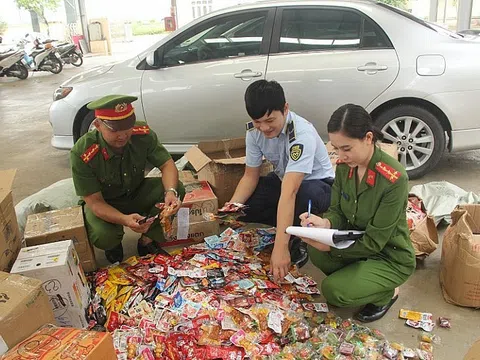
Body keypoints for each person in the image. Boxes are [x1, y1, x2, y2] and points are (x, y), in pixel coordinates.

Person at [299, 104, 416, 323]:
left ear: (368, 138)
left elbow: (374, 242)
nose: (341, 156)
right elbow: (338, 211)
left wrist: (330, 245)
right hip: (357, 245)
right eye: (336, 149)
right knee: (315, 252)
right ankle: (359, 279)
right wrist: (324, 223)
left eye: (347, 148)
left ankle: (386, 293)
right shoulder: (345, 167)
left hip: (387, 256)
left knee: (334, 291)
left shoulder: (394, 178)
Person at [228, 80, 334, 280]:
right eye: (258, 121)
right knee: (246, 205)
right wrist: (231, 210)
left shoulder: (301, 134)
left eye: (270, 120)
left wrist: (280, 247)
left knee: (301, 197)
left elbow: (290, 191)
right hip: (284, 180)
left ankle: (297, 238)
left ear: (285, 108)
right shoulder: (254, 132)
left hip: (318, 186)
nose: (264, 128)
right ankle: (285, 223)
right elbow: (250, 176)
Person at [70, 95, 185, 264]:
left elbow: (167, 164)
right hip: (105, 202)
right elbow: (95, 203)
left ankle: (147, 240)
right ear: (97, 125)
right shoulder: (83, 152)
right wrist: (125, 220)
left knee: (178, 189)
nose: (123, 135)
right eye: (114, 129)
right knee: (104, 236)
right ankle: (113, 245)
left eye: (127, 127)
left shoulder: (142, 134)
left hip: (136, 192)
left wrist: (170, 192)